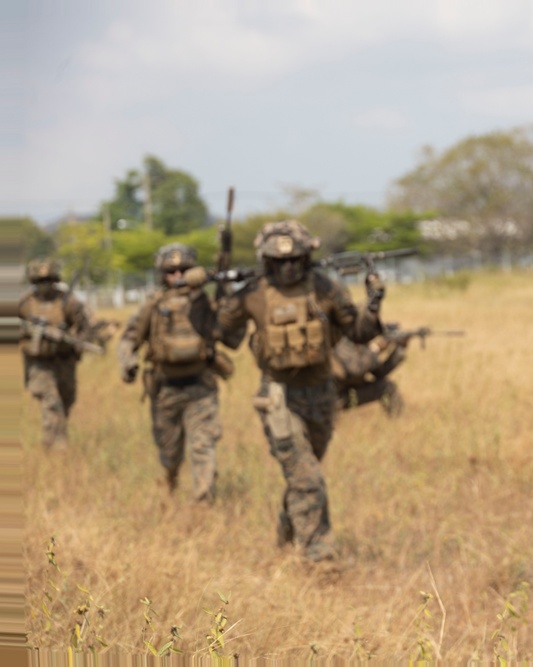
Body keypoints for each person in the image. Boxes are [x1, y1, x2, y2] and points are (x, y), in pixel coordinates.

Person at [216, 220, 385, 563]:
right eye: (279, 263)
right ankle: (319, 557)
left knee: (304, 475)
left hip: (321, 393)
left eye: (295, 260)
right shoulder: (252, 294)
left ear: (307, 258)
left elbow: (358, 332)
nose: (288, 268)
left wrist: (374, 302)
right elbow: (222, 331)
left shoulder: (325, 288)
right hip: (278, 396)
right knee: (307, 478)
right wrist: (214, 293)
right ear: (267, 262)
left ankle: (286, 539)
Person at [117, 243, 228, 504]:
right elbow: (129, 338)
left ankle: (203, 501)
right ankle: (170, 479)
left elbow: (228, 330)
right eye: (171, 271)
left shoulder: (205, 304)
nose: (178, 276)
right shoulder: (153, 305)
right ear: (162, 275)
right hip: (164, 389)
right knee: (170, 450)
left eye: (184, 270)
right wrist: (128, 363)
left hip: (201, 387)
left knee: (203, 445)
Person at [17, 258, 92, 451]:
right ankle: (59, 450)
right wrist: (30, 332)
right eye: (40, 282)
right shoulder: (24, 303)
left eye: (49, 281)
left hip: (64, 360)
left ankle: (51, 441)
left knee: (66, 401)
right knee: (51, 402)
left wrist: (67, 338)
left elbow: (83, 328)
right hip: (38, 364)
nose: (45, 286)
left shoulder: (68, 301)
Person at [330, 323, 411, 417]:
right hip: (331, 398)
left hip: (347, 394)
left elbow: (379, 373)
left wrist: (400, 349)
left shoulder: (361, 344)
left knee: (387, 387)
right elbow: (356, 369)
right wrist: (376, 349)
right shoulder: (340, 341)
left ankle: (398, 424)